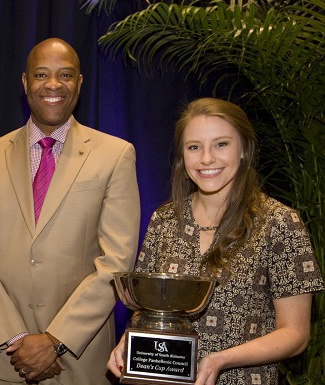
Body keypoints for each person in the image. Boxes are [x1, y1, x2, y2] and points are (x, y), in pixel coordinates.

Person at [106, 98, 324, 384]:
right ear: (183, 157)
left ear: (244, 149)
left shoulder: (279, 222)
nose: (206, 158)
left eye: (221, 144)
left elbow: (295, 335)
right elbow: (144, 311)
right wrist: (128, 343)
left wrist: (219, 360)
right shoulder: (164, 219)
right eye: (194, 147)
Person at [0, 37, 141, 384]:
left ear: (80, 82)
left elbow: (116, 262)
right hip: (6, 358)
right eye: (42, 74)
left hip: (81, 356)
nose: (53, 84)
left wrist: (55, 340)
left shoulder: (115, 155)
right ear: (25, 82)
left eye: (66, 74)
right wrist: (16, 338)